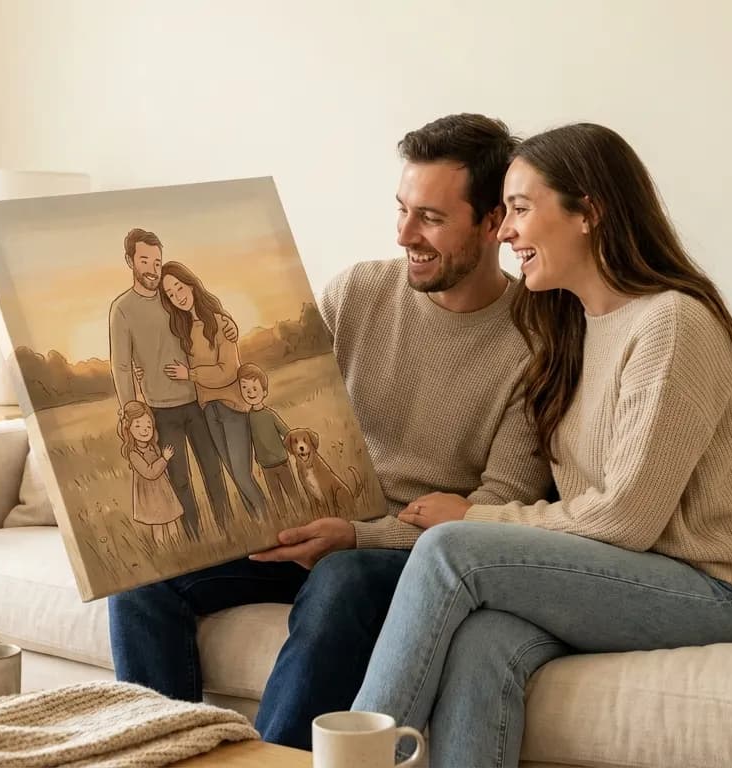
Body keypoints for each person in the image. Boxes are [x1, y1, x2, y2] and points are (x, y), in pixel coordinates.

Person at [108, 113, 554, 750]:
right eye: (401, 209)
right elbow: (281, 413)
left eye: (430, 217)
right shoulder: (358, 292)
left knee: (340, 578)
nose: (404, 234)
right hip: (312, 516)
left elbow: (493, 510)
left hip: (411, 553)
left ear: (493, 225)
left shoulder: (539, 341)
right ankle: (158, 757)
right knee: (144, 574)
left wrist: (358, 535)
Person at [350, 123, 732, 767]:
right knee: (484, 641)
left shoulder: (670, 325)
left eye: (521, 210)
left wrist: (474, 517)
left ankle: (354, 759)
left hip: (711, 589)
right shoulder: (568, 326)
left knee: (450, 551)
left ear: (590, 213)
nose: (503, 232)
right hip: (619, 577)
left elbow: (625, 519)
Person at [108, 229, 235, 540]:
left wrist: (228, 322)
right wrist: (131, 411)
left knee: (213, 471)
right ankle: (194, 541)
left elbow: (204, 311)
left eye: (157, 261)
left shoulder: (172, 295)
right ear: (130, 261)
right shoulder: (122, 308)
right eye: (145, 261)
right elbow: (122, 365)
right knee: (179, 479)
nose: (153, 268)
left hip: (198, 400)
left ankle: (232, 534)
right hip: (161, 410)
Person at [159, 261, 270, 523]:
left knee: (242, 473)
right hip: (209, 410)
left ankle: (269, 520)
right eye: (171, 295)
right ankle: (261, 526)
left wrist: (193, 374)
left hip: (232, 407)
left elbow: (228, 372)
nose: (178, 296)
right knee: (233, 472)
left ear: (192, 284)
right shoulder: (182, 331)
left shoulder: (220, 323)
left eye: (179, 287)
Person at [236, 362, 305, 518]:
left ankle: (301, 515)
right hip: (266, 466)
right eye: (245, 388)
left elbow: (287, 433)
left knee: (292, 491)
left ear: (264, 391)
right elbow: (252, 442)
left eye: (254, 388)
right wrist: (257, 461)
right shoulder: (247, 419)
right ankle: (284, 519)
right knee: (276, 496)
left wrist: (295, 452)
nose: (250, 392)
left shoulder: (270, 414)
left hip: (282, 462)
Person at [117, 400, 185, 545]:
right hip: (150, 496)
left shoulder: (153, 447)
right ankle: (163, 550)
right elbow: (150, 473)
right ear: (128, 429)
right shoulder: (133, 454)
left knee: (171, 520)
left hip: (163, 491)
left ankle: (178, 545)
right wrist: (164, 459)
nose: (145, 430)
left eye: (148, 425)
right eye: (138, 426)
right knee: (158, 524)